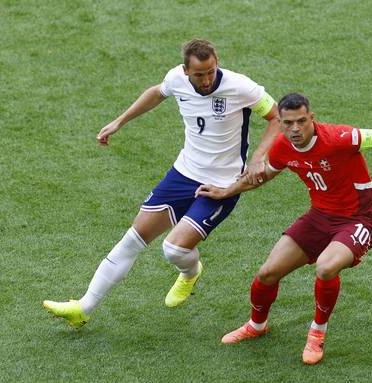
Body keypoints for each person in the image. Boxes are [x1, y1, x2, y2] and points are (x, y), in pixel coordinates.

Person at [196, 92, 372, 364]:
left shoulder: (339, 138)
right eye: (288, 123)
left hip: (360, 218)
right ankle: (256, 325)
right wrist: (225, 192)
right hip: (320, 217)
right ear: (281, 123)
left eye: (301, 121)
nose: (295, 129)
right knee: (267, 273)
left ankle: (316, 334)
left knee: (325, 266)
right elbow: (261, 177)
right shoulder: (281, 147)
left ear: (312, 118)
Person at [43, 39, 281, 328]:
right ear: (185, 70)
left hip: (223, 183)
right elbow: (157, 93)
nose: (206, 80)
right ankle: (84, 307)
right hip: (183, 173)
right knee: (133, 238)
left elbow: (276, 115)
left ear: (217, 61)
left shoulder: (240, 86)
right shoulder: (176, 79)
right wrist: (119, 122)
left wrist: (257, 157)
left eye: (210, 71)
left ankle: (190, 271)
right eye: (198, 75)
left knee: (174, 250)